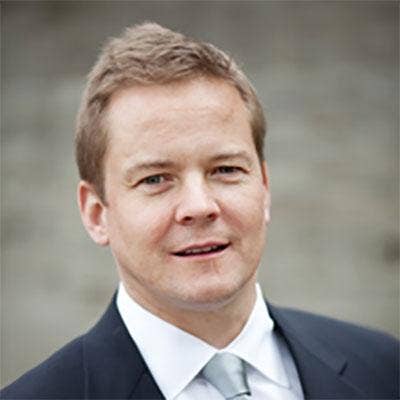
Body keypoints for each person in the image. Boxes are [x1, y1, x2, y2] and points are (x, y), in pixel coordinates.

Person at [1, 22, 398, 400]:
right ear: (95, 213)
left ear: (264, 187)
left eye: (225, 169)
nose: (200, 206)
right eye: (156, 179)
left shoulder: (385, 369)